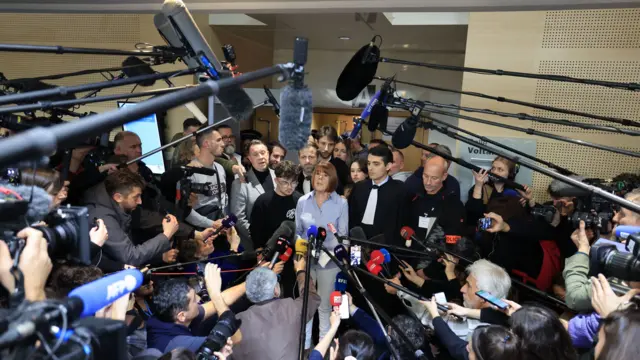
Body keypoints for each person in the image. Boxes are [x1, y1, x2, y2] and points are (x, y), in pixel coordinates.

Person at [295, 162, 348, 350]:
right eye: (317, 174)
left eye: (324, 175)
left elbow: (344, 236)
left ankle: (324, 349)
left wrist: (341, 257)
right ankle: (306, 348)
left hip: (330, 262)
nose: (319, 178)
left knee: (324, 308)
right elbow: (298, 232)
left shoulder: (341, 203)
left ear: (332, 179)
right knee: (307, 306)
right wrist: (300, 256)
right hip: (308, 260)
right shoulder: (303, 201)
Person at [563, 189, 640, 311]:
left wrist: (582, 251)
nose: (615, 218)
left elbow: (575, 298)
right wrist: (606, 238)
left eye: (622, 214)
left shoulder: (632, 264)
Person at [84, 169, 180, 266]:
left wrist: (160, 257)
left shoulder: (116, 207)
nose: (140, 202)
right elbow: (130, 257)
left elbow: (124, 252)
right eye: (136, 197)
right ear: (118, 197)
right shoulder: (103, 218)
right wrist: (166, 235)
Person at [232, 258, 320, 360]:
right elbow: (311, 297)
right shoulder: (290, 308)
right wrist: (300, 271)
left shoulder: (237, 322)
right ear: (276, 291)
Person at [146, 264, 245, 353]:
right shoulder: (180, 345)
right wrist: (215, 295)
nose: (198, 300)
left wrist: (249, 282)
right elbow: (235, 339)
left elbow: (217, 302)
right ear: (182, 316)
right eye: (194, 300)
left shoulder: (169, 315)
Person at [404, 156, 466, 254]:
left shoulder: (452, 204)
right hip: (411, 257)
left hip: (435, 261)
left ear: (444, 176)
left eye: (434, 178)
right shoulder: (413, 198)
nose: (428, 182)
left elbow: (452, 243)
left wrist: (429, 269)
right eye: (425, 176)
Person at [348, 145, 407, 245]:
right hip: (357, 244)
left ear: (388, 166)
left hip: (385, 248)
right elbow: (351, 218)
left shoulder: (399, 191)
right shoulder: (359, 188)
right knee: (355, 261)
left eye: (376, 164)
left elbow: (401, 223)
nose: (370, 168)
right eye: (369, 163)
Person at [230, 140, 276, 251]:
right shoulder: (240, 183)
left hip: (278, 242)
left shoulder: (278, 176)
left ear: (268, 154)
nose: (261, 157)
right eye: (255, 154)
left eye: (263, 152)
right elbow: (239, 218)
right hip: (253, 245)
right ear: (249, 158)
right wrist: (259, 238)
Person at [250, 160, 302, 251]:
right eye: (285, 182)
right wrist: (260, 254)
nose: (290, 187)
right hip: (269, 253)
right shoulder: (263, 201)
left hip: (293, 253)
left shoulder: (300, 200)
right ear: (276, 180)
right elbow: (255, 231)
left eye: (293, 182)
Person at [184, 127, 228, 228]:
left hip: (219, 224)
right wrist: (211, 224)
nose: (223, 144)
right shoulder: (191, 172)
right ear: (206, 144)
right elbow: (186, 212)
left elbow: (223, 198)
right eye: (218, 140)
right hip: (201, 230)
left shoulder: (220, 168)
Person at [466, 156, 520, 225]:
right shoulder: (481, 187)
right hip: (481, 232)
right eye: (493, 168)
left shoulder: (512, 192)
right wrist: (478, 186)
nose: (495, 172)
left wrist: (530, 202)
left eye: (500, 169)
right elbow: (472, 217)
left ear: (509, 173)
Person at [316, 125, 349, 195]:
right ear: (317, 142)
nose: (326, 149)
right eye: (323, 143)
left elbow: (348, 186)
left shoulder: (340, 165)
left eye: (330, 144)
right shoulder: (310, 161)